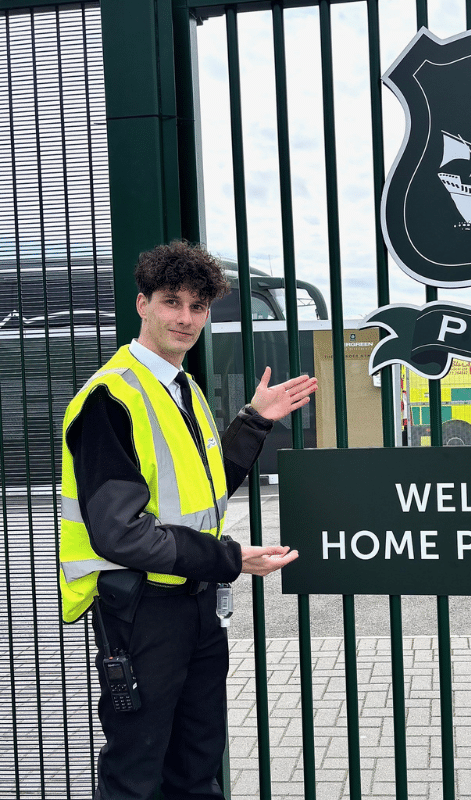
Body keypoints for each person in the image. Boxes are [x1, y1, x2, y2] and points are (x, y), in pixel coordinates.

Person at [58, 240, 317, 800]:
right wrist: (230, 558)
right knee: (136, 775)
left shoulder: (183, 388)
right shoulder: (111, 398)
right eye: (171, 302)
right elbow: (119, 532)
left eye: (197, 306)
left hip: (196, 605)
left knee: (197, 767)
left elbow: (205, 488)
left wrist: (254, 421)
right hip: (141, 612)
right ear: (143, 304)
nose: (185, 318)